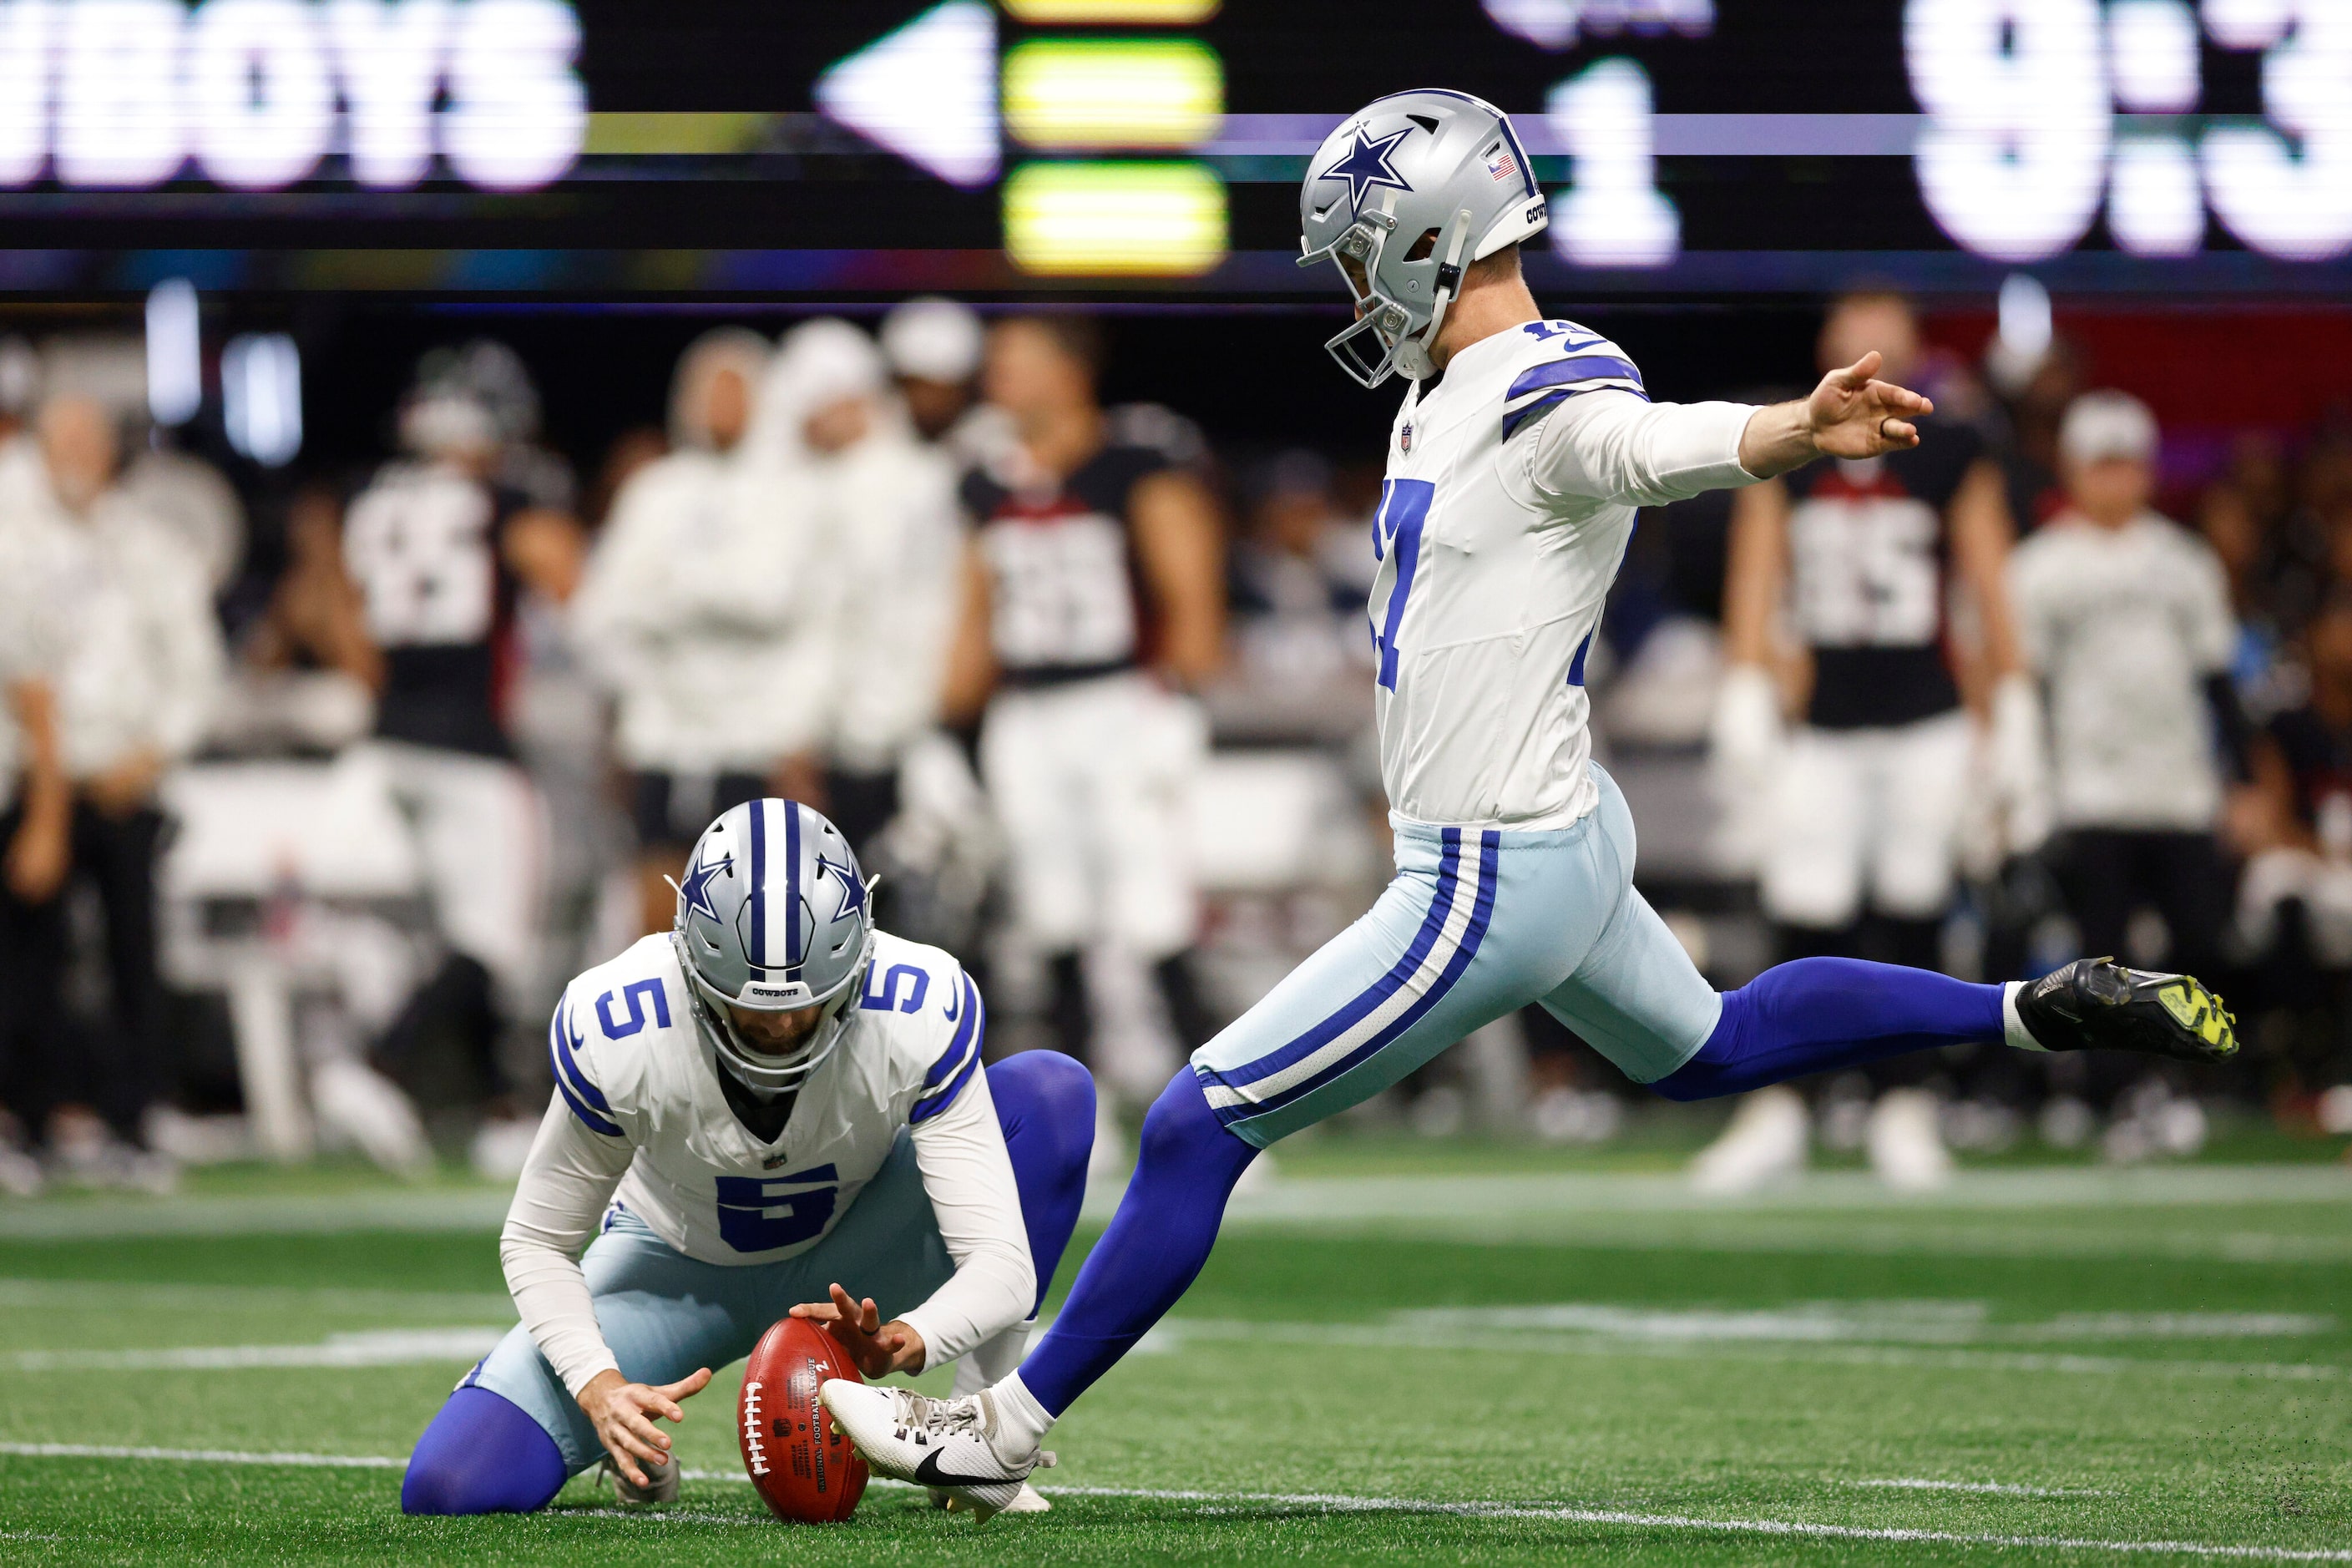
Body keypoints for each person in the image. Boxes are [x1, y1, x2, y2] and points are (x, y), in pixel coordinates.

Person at [820, 89, 2241, 1518]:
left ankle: (1000, 1425)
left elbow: (1640, 443)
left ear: (1433, 241)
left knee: (1197, 1121)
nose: (1353, 286)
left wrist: (1787, 431)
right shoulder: (1451, 383)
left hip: (1485, 873)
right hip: (1550, 835)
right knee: (1711, 1047)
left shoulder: (1543, 380)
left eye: (1364, 255)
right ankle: (2029, 1006)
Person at [398, 799, 1094, 1516]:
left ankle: (974, 1444)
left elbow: (1003, 1265)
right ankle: (628, 1451)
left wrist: (908, 1337)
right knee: (448, 1489)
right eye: (751, 1008)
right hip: (671, 1271)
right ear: (692, 963)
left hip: (859, 1261)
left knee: (1048, 1096)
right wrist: (599, 1386)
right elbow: (538, 1239)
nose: (784, 1027)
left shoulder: (915, 1003)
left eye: (808, 1002)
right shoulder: (620, 1023)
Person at [1700, 289, 2043, 1191]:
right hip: (1824, 714)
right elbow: (1758, 566)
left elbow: (1987, 577)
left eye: (1884, 340)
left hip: (1925, 712)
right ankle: (1780, 1103)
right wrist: (1744, 679)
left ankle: (1906, 1102)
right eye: (1854, 340)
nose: (1868, 358)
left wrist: (2011, 702)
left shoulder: (1956, 446)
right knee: (1801, 908)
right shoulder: (1793, 443)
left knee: (1914, 906)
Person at [945, 314, 1227, 1108]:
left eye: (1015, 360)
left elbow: (1190, 589)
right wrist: (941, 731)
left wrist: (1182, 703)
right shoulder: (983, 474)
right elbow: (972, 612)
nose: (996, 377)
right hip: (1026, 714)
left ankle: (1214, 1109)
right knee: (1051, 916)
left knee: (1154, 910)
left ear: (1068, 371)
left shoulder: (1134, 459)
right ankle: (1080, 1108)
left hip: (1121, 701)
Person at [341, 348, 581, 1171]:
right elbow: (567, 573)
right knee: (499, 940)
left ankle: (500, 1109)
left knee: (463, 933)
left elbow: (334, 604)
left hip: (390, 737)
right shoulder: (500, 501)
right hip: (472, 746)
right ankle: (378, 1059)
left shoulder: (373, 500)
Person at [34, 396, 225, 1188]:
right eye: (62, 440)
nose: (75, 454)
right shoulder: (18, 541)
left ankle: (135, 1117)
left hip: (125, 778)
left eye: (87, 437)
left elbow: (194, 665)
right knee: (30, 961)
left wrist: (150, 757)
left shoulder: (149, 546)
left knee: (134, 958)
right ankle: (36, 1115)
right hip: (41, 777)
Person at [2010, 392, 2247, 984]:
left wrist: (2240, 780)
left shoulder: (2185, 560)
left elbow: (2216, 675)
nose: (2115, 480)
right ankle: (2105, 1080)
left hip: (2179, 786)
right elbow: (2025, 686)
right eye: (2101, 465)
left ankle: (2201, 1076)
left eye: (2127, 464)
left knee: (2200, 941)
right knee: (2099, 953)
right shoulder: (2038, 567)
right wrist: (2025, 783)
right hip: (2089, 789)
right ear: (2071, 470)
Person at [573, 327, 791, 938]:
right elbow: (604, 610)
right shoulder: (655, 492)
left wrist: (674, 600)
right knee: (657, 897)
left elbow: (774, 600)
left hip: (755, 736)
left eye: (736, 391)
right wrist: (638, 691)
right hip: (662, 733)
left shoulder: (789, 495)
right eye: (709, 391)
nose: (720, 408)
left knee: (758, 912)